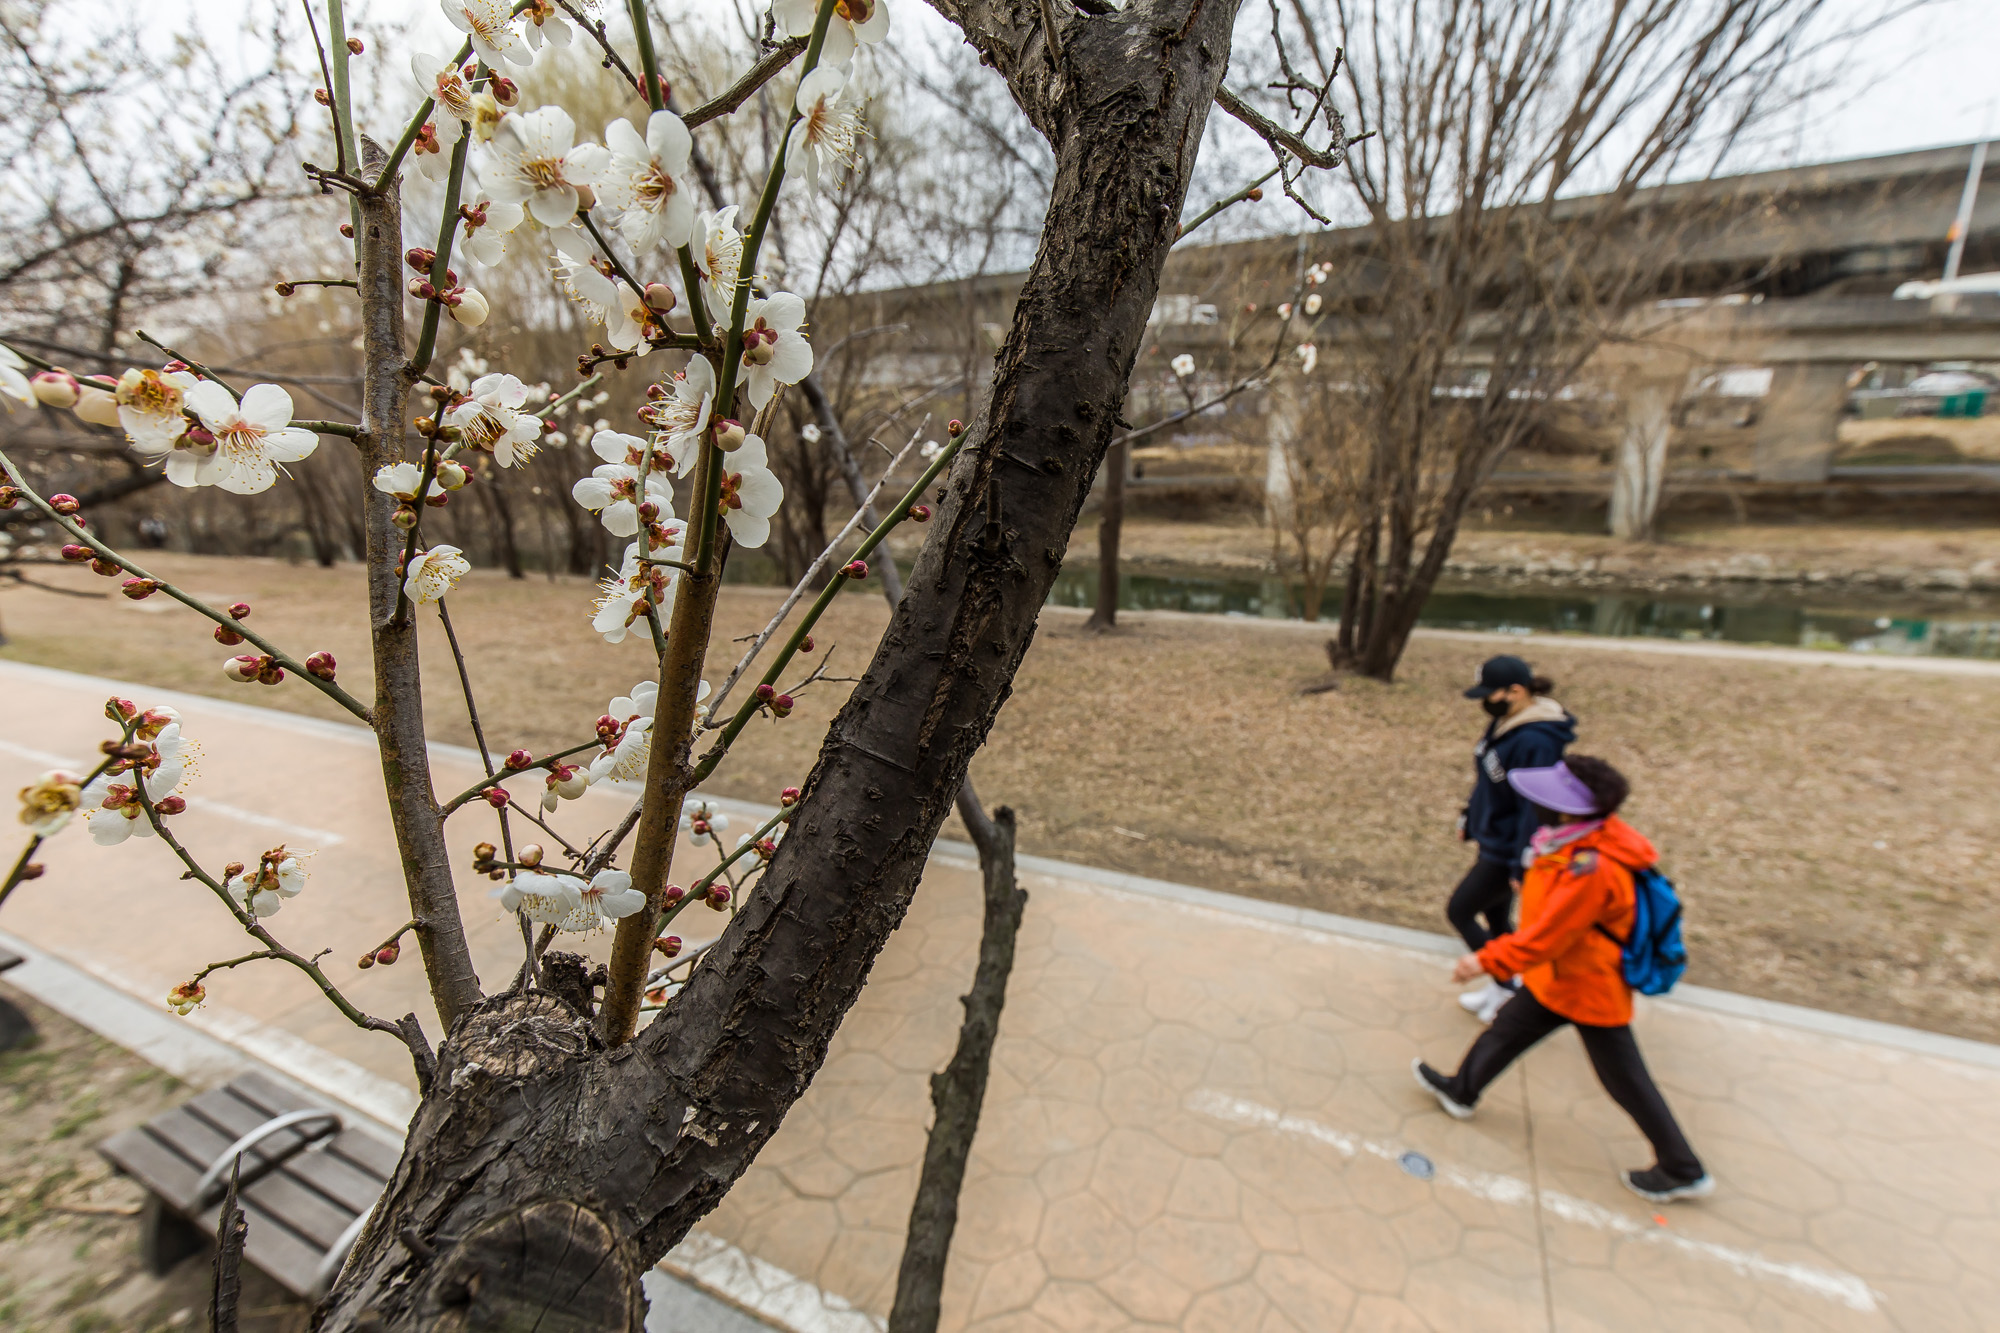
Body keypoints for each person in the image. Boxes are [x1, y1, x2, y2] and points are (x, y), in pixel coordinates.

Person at [1412, 756, 1714, 1204]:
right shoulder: (1575, 843)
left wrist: (1485, 960)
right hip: (1557, 981)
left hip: (1586, 987)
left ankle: (1682, 1168)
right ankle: (1462, 1090)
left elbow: (1547, 938)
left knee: (1625, 1079)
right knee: (1507, 1031)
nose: (1537, 804)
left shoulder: (1591, 869)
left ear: (1570, 810)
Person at [1449, 655, 1575, 1023]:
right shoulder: (1506, 723)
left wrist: (1524, 859)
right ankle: (1503, 987)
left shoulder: (1537, 739)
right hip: (1493, 836)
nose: (1485, 701)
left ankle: (1508, 985)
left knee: (1459, 910)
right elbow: (1488, 778)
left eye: (1491, 693)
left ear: (1516, 691)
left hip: (1509, 848)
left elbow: (1535, 805)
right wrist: (1468, 815)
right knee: (1497, 917)